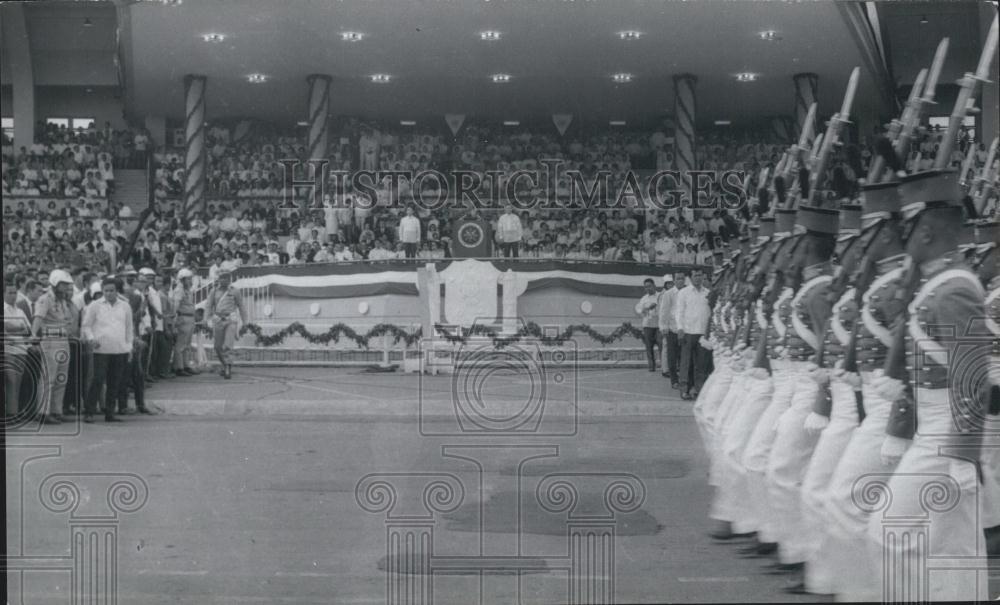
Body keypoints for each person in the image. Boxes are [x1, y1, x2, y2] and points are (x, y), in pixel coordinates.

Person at [81, 277, 134, 423]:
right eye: (106, 291)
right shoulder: (95, 306)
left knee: (114, 382)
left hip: (119, 349)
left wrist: (129, 347)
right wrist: (92, 339)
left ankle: (110, 413)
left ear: (117, 291)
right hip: (101, 350)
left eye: (112, 291)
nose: (109, 293)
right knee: (97, 380)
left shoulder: (125, 306)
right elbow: (86, 326)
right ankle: (89, 411)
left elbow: (129, 328)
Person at [31, 269, 80, 424]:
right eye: (64, 285)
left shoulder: (63, 301)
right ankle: (42, 412)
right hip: (51, 340)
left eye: (67, 285)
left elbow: (70, 317)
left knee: (61, 377)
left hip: (63, 339)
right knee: (48, 377)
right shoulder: (45, 299)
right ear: (55, 284)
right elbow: (38, 317)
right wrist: (33, 335)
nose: (66, 288)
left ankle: (56, 410)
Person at [205, 268, 248, 379]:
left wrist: (245, 321)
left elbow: (241, 306)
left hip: (231, 320)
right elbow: (208, 306)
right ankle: (225, 365)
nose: (224, 280)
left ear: (230, 279)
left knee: (228, 345)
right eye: (222, 277)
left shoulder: (235, 291)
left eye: (226, 277)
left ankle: (228, 368)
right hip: (218, 320)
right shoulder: (213, 291)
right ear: (219, 279)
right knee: (217, 346)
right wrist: (205, 320)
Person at [674, 269, 711, 400]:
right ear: (690, 278)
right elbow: (679, 312)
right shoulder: (683, 293)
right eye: (695, 275)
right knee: (686, 363)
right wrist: (680, 329)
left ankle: (697, 389)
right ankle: (684, 389)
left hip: (702, 334)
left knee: (701, 365)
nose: (698, 278)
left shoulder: (708, 293)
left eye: (700, 275)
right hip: (688, 333)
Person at [3, 279, 33, 419]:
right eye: (10, 292)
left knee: (18, 381)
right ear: (4, 293)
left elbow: (27, 329)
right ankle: (11, 412)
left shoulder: (20, 311)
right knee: (11, 380)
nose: (13, 295)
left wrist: (12, 327)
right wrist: (17, 328)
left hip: (21, 349)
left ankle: (14, 411)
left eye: (15, 292)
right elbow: (4, 329)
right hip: (8, 350)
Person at [171, 268, 198, 376]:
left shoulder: (187, 290)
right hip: (183, 317)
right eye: (188, 279)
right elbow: (176, 306)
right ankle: (179, 367)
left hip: (190, 318)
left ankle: (186, 365)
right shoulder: (179, 290)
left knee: (187, 344)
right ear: (182, 280)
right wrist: (174, 320)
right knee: (181, 344)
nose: (190, 281)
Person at [658, 274, 682, 387]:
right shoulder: (668, 294)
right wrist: (664, 327)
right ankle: (674, 381)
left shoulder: (687, 292)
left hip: (685, 330)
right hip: (672, 329)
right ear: (674, 280)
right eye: (678, 279)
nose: (680, 281)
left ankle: (684, 379)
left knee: (684, 357)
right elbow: (664, 311)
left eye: (682, 278)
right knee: (672, 356)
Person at [634, 278, 660, 372]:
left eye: (649, 286)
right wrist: (643, 310)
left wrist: (655, 306)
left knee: (661, 345)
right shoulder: (644, 298)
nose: (648, 288)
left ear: (654, 286)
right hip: (647, 325)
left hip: (658, 325)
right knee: (649, 347)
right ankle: (651, 366)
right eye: (646, 287)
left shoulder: (660, 296)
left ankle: (664, 366)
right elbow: (638, 309)